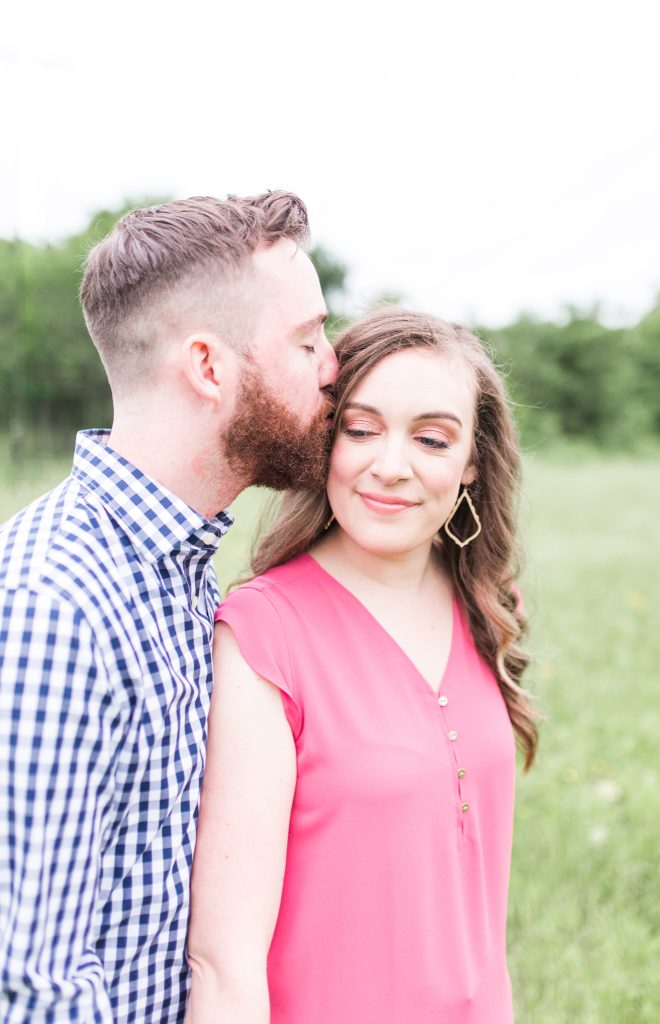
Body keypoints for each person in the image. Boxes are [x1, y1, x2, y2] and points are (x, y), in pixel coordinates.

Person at [0, 191, 337, 1024]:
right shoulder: (58, 604)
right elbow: (30, 981)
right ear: (209, 367)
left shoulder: (179, 568)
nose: (333, 365)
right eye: (307, 340)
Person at [185, 307, 539, 1024]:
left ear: (471, 461)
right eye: (360, 429)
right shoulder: (263, 632)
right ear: (325, 439)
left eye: (431, 439)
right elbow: (224, 962)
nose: (389, 465)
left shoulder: (485, 606)